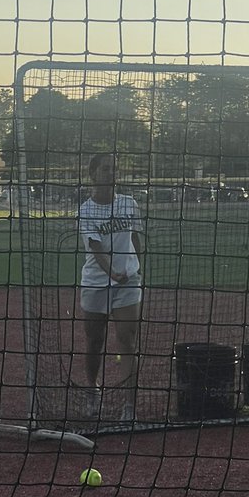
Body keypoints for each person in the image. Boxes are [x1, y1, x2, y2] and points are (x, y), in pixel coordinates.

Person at [78, 153, 145, 422]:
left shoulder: (129, 203)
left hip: (128, 282)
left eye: (114, 169)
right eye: (105, 169)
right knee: (95, 341)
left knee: (127, 341)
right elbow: (96, 249)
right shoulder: (86, 210)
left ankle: (129, 405)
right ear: (93, 173)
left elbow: (135, 238)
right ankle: (93, 389)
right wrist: (112, 273)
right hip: (96, 283)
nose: (111, 173)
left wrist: (137, 267)